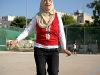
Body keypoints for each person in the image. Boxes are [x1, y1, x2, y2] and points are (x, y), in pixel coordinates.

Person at [10, 0, 71, 75]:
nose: (47, 2)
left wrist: (64, 48)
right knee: (41, 73)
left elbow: (61, 33)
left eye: (49, 0)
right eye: (45, 0)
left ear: (52, 3)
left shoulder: (57, 16)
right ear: (42, 3)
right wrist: (17, 40)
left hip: (53, 50)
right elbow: (27, 30)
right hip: (40, 49)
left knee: (54, 72)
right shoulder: (37, 17)